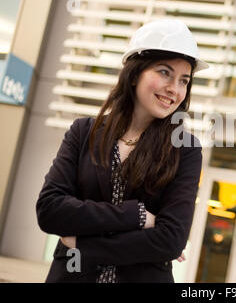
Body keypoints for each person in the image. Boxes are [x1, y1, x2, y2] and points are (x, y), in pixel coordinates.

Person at [36, 18, 209, 283]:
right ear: (134, 74)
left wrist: (83, 245)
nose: (175, 89)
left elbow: (171, 239)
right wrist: (136, 216)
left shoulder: (185, 150)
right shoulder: (83, 132)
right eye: (164, 72)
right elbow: (50, 210)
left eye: (184, 80)